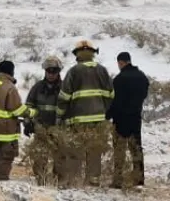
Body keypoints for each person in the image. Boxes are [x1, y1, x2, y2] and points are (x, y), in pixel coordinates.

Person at [55, 40, 114, 187]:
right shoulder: (102, 71)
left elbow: (64, 97)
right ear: (93, 54)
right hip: (99, 119)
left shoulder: (74, 71)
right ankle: (93, 180)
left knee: (76, 150)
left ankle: (74, 180)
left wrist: (60, 115)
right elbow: (110, 95)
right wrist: (104, 112)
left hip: (78, 120)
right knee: (94, 150)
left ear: (77, 54)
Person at [108, 51, 149, 189]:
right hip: (135, 118)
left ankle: (118, 181)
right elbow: (144, 95)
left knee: (119, 151)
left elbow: (115, 101)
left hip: (120, 120)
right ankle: (139, 180)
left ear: (121, 62)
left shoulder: (119, 79)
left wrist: (107, 115)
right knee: (136, 149)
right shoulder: (142, 77)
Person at [24, 55, 65, 186]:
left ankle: (58, 184)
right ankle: (41, 183)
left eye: (54, 71)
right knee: (39, 158)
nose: (51, 74)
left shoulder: (65, 88)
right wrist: (27, 123)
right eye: (49, 71)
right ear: (45, 71)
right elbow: (29, 106)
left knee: (60, 159)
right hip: (40, 128)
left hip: (59, 129)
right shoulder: (37, 88)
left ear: (59, 71)